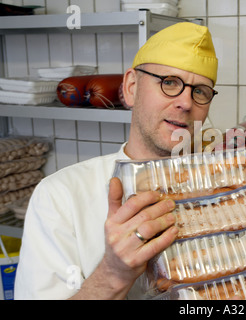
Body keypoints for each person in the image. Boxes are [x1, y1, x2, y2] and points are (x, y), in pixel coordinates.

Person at [14, 22, 219, 300]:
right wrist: (113, 274)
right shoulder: (60, 196)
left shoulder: (227, 193)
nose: (185, 102)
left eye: (201, 91)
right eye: (169, 82)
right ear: (131, 87)